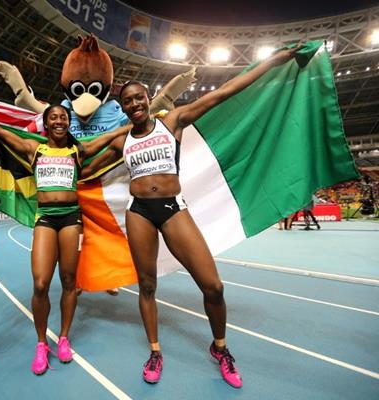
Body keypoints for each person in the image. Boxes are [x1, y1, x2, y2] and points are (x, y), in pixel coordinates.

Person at [82, 45, 302, 388]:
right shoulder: (120, 141)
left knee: (213, 286)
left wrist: (276, 60)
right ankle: (155, 351)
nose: (136, 104)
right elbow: (83, 165)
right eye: (128, 101)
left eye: (140, 98)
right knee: (147, 285)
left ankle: (220, 348)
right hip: (138, 212)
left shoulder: (173, 121)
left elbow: (226, 92)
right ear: (123, 108)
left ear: (148, 98)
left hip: (172, 208)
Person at [0, 104, 130, 374]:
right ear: (47, 123)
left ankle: (63, 337)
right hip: (46, 219)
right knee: (40, 283)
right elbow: (7, 136)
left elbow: (106, 140)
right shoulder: (35, 149)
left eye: (63, 117)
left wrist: (130, 126)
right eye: (54, 117)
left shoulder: (78, 150)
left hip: (71, 219)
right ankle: (42, 343)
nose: (59, 121)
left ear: (68, 123)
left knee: (68, 280)